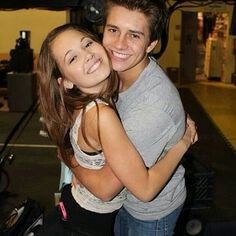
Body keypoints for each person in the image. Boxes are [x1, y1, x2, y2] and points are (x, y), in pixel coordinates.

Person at [37, 24, 197, 235]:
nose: (87, 55)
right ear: (65, 81)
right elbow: (145, 189)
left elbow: (66, 149)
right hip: (87, 225)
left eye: (87, 44)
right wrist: (183, 142)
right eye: (72, 58)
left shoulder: (76, 103)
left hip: (76, 208)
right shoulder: (102, 115)